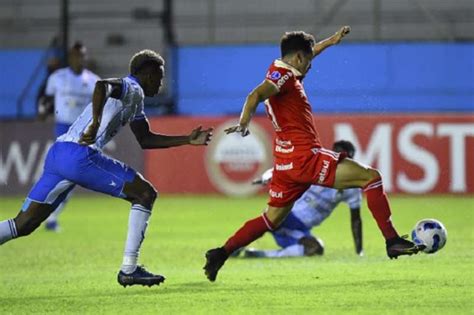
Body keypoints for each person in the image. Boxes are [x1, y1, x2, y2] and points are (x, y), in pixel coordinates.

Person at [204, 26, 424, 282]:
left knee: (271, 219)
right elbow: (255, 94)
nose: (311, 65)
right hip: (305, 157)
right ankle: (392, 240)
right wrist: (244, 123)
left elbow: (302, 59)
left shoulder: (285, 72)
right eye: (308, 60)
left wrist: (329, 42)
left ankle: (221, 253)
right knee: (371, 177)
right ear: (298, 58)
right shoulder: (282, 77)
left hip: (286, 164)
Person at [0, 49, 213, 287]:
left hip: (59, 154)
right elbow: (102, 86)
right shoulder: (131, 88)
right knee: (144, 193)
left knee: (24, 224)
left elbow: (145, 139)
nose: (161, 83)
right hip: (81, 156)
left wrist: (186, 139)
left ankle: (130, 269)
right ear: (147, 73)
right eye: (159, 77)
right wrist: (96, 122)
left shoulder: (136, 101)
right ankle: (129, 269)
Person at [236, 140, 363, 258]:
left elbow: (356, 220)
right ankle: (236, 246)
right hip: (287, 214)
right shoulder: (317, 166)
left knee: (316, 248)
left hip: (300, 229)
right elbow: (285, 168)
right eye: (336, 155)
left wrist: (359, 251)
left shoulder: (351, 187)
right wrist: (266, 177)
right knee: (271, 221)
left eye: (344, 157)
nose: (339, 160)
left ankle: (258, 254)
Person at [38, 42, 101, 231]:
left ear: (85, 57)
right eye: (75, 55)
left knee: (69, 178)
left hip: (82, 132)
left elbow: (98, 108)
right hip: (62, 129)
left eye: (82, 55)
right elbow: (46, 98)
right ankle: (46, 215)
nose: (79, 59)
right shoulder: (57, 77)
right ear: (70, 57)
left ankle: (49, 216)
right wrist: (42, 111)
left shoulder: (93, 81)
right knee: (67, 175)